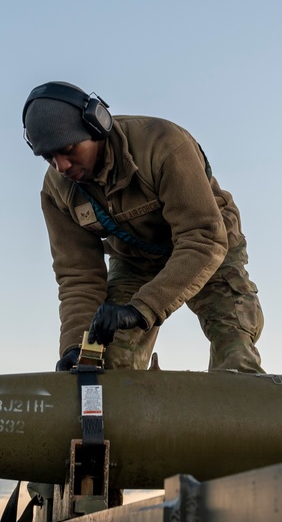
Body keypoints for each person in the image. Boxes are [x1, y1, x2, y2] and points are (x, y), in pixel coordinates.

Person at [22, 81, 265, 373]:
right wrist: (74, 346)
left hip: (207, 246)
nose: (61, 166)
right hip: (134, 260)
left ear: (96, 126)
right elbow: (78, 276)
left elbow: (203, 240)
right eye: (49, 157)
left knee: (236, 355)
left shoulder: (164, 146)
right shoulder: (57, 191)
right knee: (103, 367)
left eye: (68, 149)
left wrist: (142, 309)